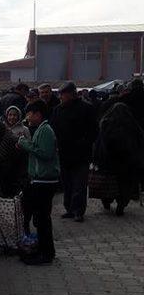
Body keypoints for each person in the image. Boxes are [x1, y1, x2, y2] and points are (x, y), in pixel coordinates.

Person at [17, 100, 60, 265]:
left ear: (38, 114)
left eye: (29, 113)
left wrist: (24, 144)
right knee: (40, 219)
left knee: (42, 219)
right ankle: (44, 250)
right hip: (40, 179)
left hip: (45, 180)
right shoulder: (41, 129)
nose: (28, 117)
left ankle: (46, 253)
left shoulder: (46, 130)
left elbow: (45, 153)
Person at [51, 81, 98, 222]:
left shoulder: (86, 108)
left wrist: (84, 142)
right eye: (60, 95)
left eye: (63, 94)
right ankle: (69, 209)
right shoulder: (58, 110)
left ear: (72, 94)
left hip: (81, 154)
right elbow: (53, 129)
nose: (61, 97)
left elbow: (94, 130)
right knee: (67, 183)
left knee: (80, 184)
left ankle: (78, 211)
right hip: (64, 153)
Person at [93, 102, 144, 215]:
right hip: (127, 161)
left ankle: (107, 200)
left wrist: (97, 158)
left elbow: (99, 143)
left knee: (108, 182)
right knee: (125, 183)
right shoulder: (133, 125)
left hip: (109, 161)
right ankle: (121, 204)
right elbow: (140, 142)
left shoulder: (106, 124)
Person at [0, 106, 30, 197]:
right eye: (10, 115)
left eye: (14, 115)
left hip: (20, 162)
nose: (12, 117)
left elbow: (29, 144)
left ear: (19, 116)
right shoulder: (2, 127)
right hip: (5, 162)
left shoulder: (24, 129)